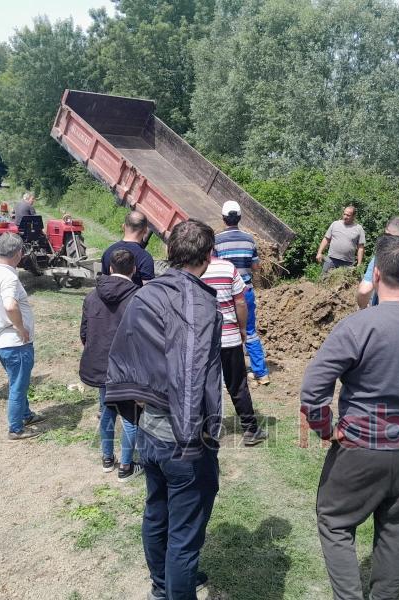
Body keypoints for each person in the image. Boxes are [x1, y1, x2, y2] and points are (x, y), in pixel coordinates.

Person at [301, 235, 399, 600]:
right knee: (395, 531)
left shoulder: (357, 325)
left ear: (376, 272)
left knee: (335, 522)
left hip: (359, 446)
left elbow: (313, 387)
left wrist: (326, 430)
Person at [105, 219, 221, 600]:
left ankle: (161, 587)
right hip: (181, 437)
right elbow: (191, 373)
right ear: (208, 256)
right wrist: (194, 440)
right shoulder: (197, 303)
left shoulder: (146, 293)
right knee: (183, 534)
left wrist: (131, 404)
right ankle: (171, 590)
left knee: (157, 511)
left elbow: (123, 354)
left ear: (170, 252)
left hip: (150, 431)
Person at [79, 249, 143, 481]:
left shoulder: (91, 297)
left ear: (110, 269)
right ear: (133, 270)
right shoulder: (139, 297)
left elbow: (84, 334)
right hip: (127, 368)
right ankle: (126, 466)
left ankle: (107, 458)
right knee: (130, 416)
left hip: (101, 367)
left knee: (107, 410)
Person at [0, 233, 42, 440]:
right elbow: (10, 305)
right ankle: (15, 428)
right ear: (18, 253)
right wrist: (20, 327)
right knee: (18, 386)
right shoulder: (9, 277)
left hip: (0, 341)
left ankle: (26, 415)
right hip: (15, 343)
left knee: (17, 380)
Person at [201, 256, 268, 446]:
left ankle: (205, 430)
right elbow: (240, 302)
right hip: (229, 337)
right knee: (237, 384)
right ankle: (250, 430)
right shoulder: (227, 268)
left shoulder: (187, 269)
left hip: (202, 340)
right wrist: (242, 328)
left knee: (203, 385)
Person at [214, 200, 271, 386]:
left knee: (223, 333)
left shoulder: (216, 241)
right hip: (245, 291)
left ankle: (226, 376)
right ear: (239, 218)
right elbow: (255, 267)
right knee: (250, 331)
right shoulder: (249, 239)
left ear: (223, 218)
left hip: (224, 293)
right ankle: (261, 373)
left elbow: (213, 266)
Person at [101, 210, 156, 287]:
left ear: (123, 226)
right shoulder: (145, 258)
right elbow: (148, 290)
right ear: (145, 230)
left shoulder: (108, 252)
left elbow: (104, 283)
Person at [316, 205, 366, 273]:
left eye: (348, 215)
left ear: (353, 216)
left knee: (346, 280)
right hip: (331, 260)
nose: (345, 217)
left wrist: (359, 264)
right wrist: (319, 253)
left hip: (348, 263)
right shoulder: (335, 224)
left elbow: (361, 247)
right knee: (324, 279)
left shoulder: (359, 228)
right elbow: (326, 239)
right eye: (344, 214)